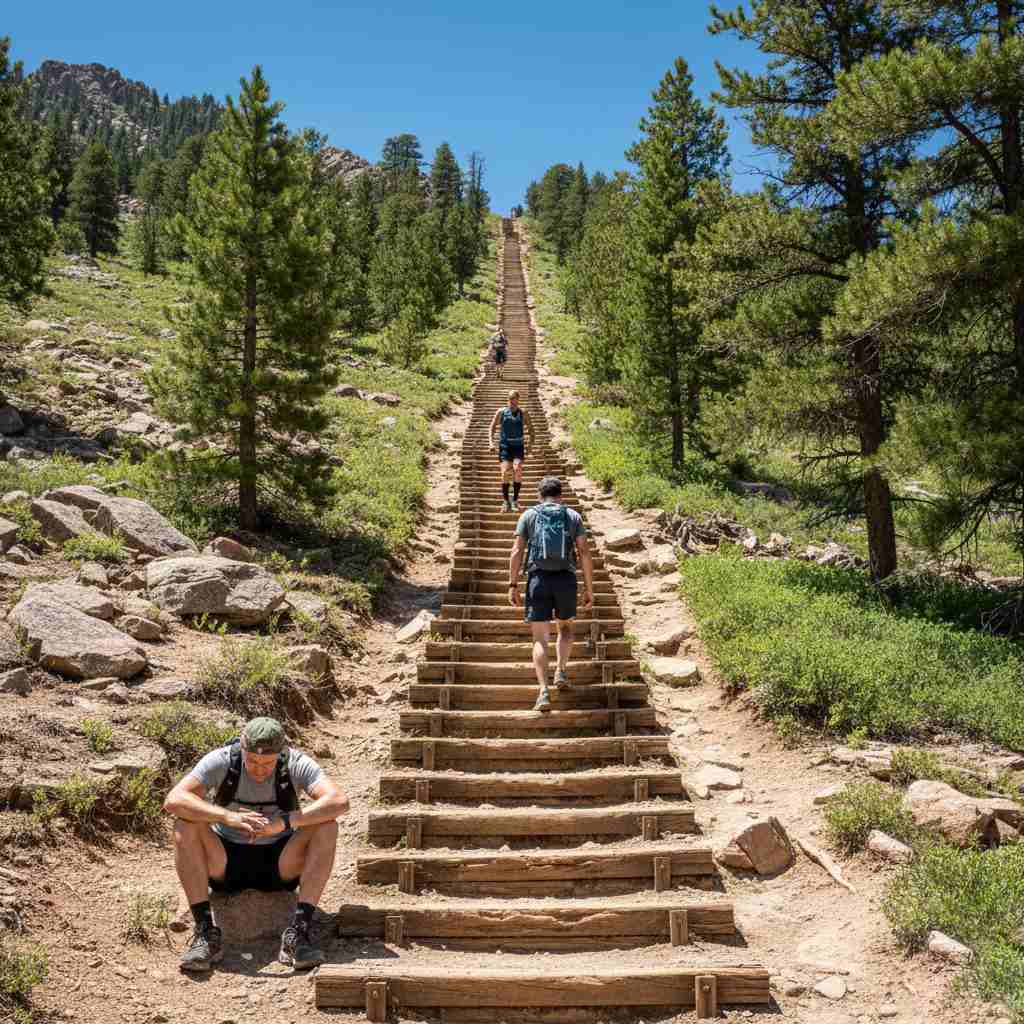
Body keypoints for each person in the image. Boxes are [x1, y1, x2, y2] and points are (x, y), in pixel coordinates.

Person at [163, 717, 349, 974]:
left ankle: (298, 933)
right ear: (241, 747)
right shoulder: (222, 760)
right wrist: (227, 816)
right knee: (185, 824)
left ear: (281, 753)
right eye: (252, 761)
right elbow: (173, 800)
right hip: (224, 860)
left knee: (327, 826)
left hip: (281, 861)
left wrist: (284, 822)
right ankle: (205, 933)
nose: (259, 770)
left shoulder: (295, 762)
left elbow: (339, 801)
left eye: (267, 763)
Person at [509, 476, 594, 711]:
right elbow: (584, 552)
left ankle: (543, 692)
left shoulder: (529, 515)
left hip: (538, 579)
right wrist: (589, 588)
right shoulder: (572, 515)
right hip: (566, 579)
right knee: (565, 628)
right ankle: (561, 671)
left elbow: (516, 551)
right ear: (561, 495)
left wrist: (513, 585)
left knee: (539, 639)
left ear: (539, 495)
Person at [489, 390, 536, 512]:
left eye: (515, 399)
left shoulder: (523, 413)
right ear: (508, 400)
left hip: (518, 447)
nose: (513, 402)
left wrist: (530, 445)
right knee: (505, 472)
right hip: (505, 446)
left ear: (518, 400)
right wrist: (491, 442)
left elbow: (531, 430)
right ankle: (506, 501)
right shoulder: (501, 412)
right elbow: (492, 427)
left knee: (517, 469)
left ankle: (515, 500)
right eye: (511, 399)